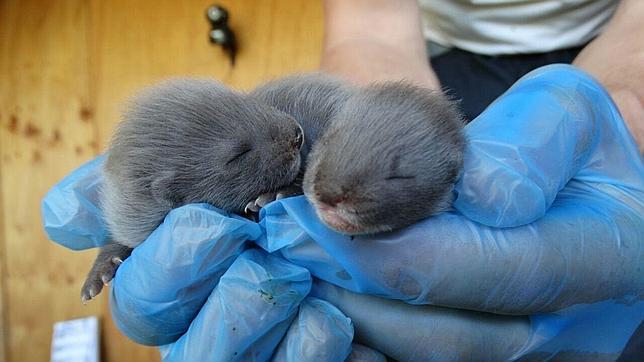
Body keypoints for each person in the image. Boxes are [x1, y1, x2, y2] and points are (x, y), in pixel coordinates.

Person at [42, 0, 643, 360]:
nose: (291, 136)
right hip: (441, 50)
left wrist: (627, 111)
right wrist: (356, 127)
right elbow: (370, 27)